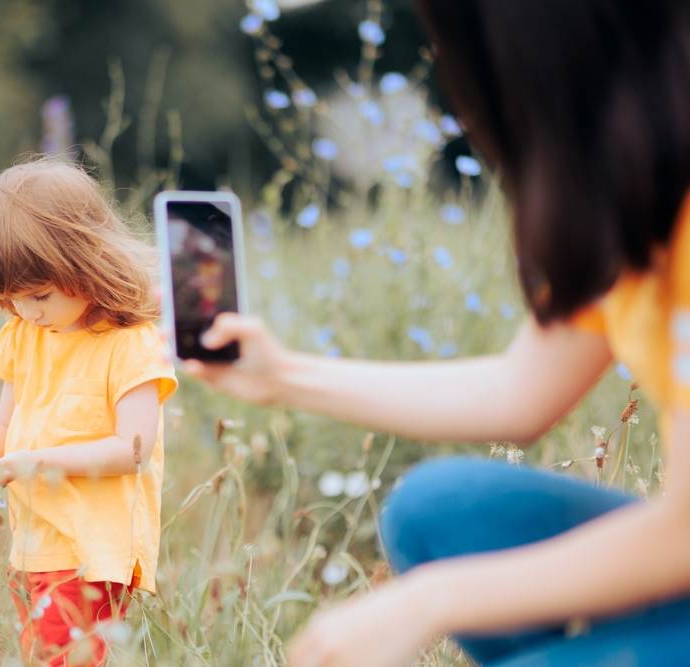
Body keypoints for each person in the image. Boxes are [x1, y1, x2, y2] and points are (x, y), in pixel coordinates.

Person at [184, 1, 690, 665]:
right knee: (441, 505)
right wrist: (281, 374)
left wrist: (429, 600)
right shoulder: (637, 193)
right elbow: (519, 393)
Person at [0, 156, 178, 666]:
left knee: (63, 656)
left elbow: (132, 450)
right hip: (34, 539)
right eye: (9, 300)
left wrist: (32, 463)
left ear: (84, 262)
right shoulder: (24, 336)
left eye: (38, 295)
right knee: (46, 654)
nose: (27, 311)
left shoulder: (130, 344)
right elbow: (8, 424)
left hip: (93, 549)